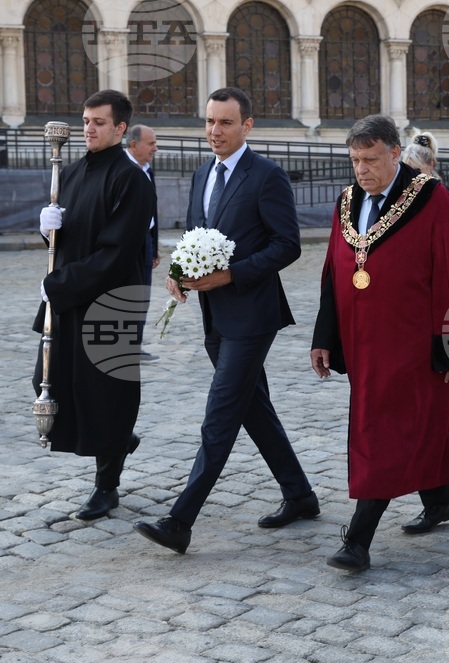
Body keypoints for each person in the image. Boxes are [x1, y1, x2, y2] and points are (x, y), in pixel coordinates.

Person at [134, 87, 317, 554]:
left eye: (226, 123)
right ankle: (299, 496)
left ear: (248, 125)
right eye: (210, 122)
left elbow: (287, 245)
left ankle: (181, 519)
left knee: (221, 416)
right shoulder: (201, 175)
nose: (215, 131)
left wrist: (231, 275)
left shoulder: (267, 176)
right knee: (255, 409)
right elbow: (197, 234)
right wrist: (179, 273)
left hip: (253, 316)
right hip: (214, 317)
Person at [311, 114, 449, 573]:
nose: (361, 170)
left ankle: (359, 539)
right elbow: (333, 271)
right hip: (363, 341)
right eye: (354, 161)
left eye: (369, 160)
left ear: (393, 153)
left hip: (413, 342)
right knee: (415, 429)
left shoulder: (430, 198)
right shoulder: (348, 201)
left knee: (382, 433)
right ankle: (439, 500)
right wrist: (324, 336)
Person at [33, 89, 155, 521]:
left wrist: (61, 283)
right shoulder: (69, 172)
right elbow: (65, 239)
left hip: (112, 303)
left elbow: (115, 252)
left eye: (99, 122)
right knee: (48, 383)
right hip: (69, 297)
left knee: (108, 395)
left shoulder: (131, 180)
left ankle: (107, 486)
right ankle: (118, 440)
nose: (89, 128)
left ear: (120, 129)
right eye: (86, 120)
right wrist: (48, 231)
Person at [400, 129, 449, 291]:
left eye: (418, 170)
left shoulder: (448, 195)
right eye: (408, 170)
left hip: (438, 266)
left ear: (432, 165)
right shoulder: (397, 196)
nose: (413, 177)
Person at [124, 124, 160, 361]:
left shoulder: (147, 170)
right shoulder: (120, 168)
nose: (155, 149)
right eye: (151, 144)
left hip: (145, 242)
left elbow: (152, 211)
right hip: (125, 242)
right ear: (134, 144)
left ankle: (134, 345)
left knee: (142, 294)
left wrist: (154, 246)